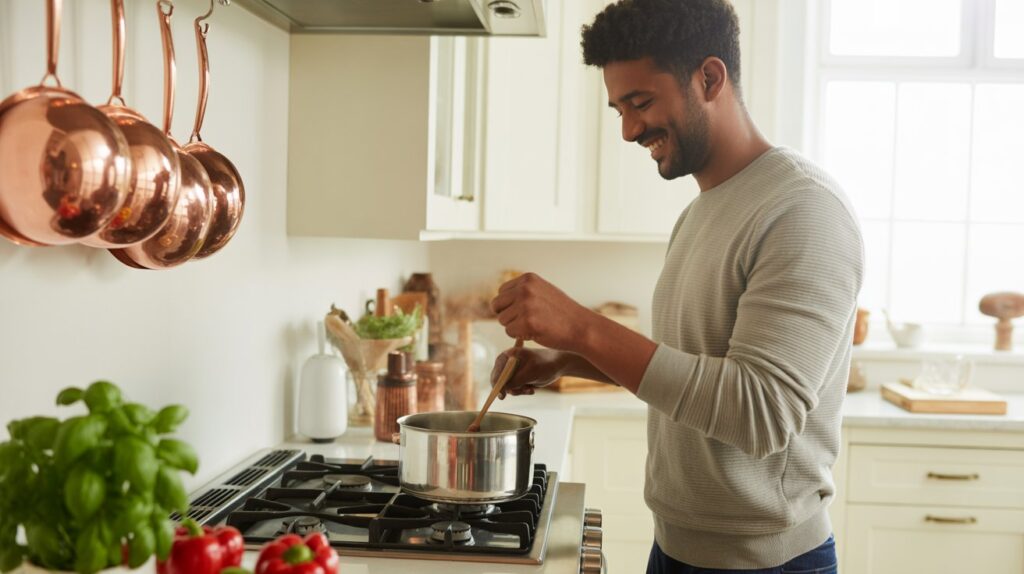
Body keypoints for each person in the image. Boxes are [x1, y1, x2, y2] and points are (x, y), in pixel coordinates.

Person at [488, 0, 864, 572]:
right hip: (674, 547)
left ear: (709, 78)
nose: (629, 130)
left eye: (640, 103)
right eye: (619, 109)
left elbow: (760, 413)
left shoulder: (803, 210)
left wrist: (584, 326)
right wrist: (565, 358)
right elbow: (693, 367)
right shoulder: (700, 213)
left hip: (767, 563)